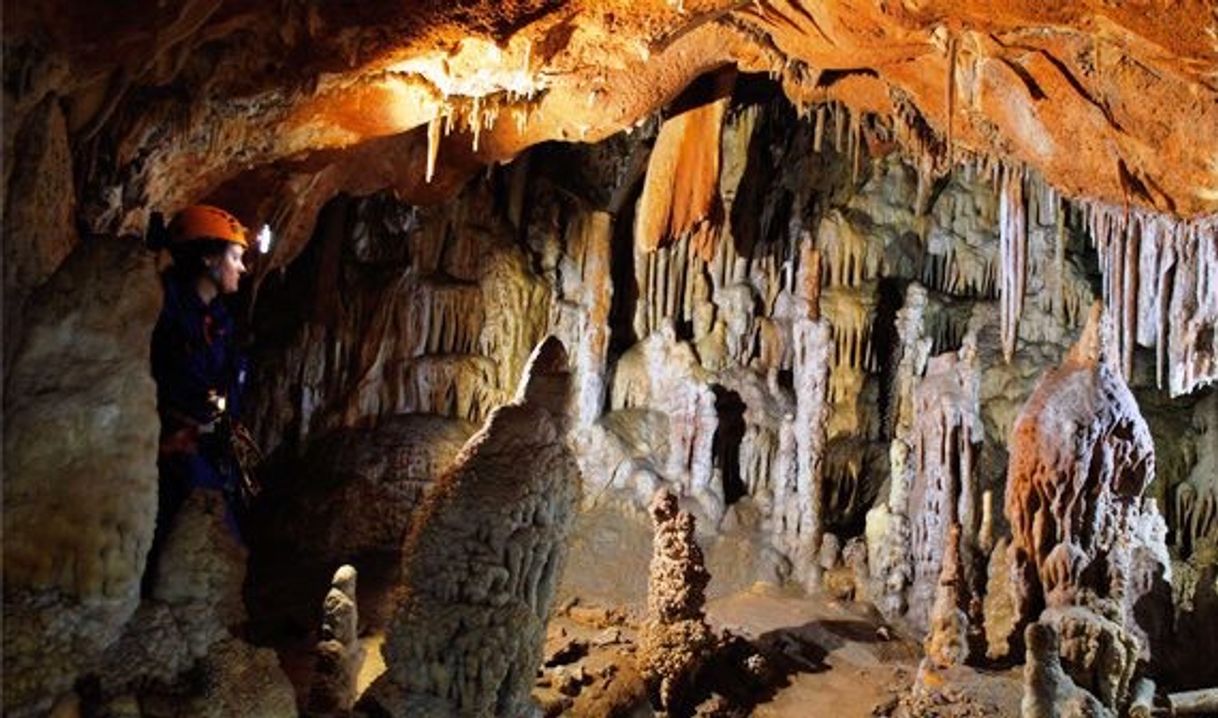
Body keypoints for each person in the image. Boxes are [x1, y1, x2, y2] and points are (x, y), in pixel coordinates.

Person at [143, 204, 251, 595]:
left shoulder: (219, 320)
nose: (242, 268)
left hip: (208, 448)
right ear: (208, 257)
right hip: (170, 452)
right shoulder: (164, 309)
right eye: (235, 258)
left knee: (220, 546)